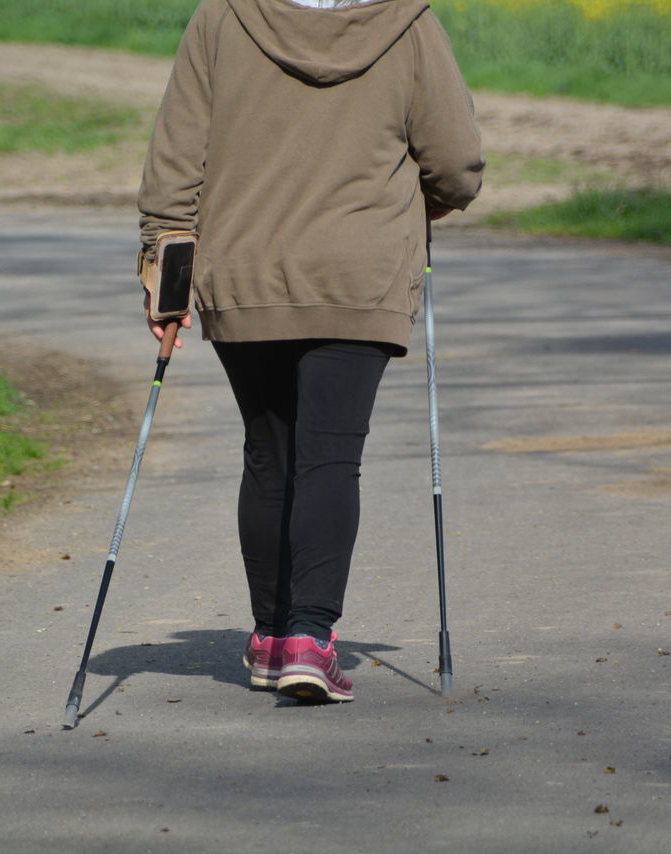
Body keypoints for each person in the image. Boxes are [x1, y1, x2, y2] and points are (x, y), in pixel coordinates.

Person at [137, 0, 482, 703]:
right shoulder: (409, 23)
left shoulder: (221, 18)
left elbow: (176, 161)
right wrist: (432, 201)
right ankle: (310, 638)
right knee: (329, 457)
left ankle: (271, 639)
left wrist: (162, 270)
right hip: (359, 275)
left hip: (245, 271)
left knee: (268, 455)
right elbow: (455, 164)